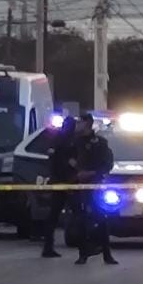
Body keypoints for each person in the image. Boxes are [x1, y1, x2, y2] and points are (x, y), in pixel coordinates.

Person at [73, 113, 118, 266]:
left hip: (96, 186)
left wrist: (92, 173)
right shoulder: (73, 143)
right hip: (77, 187)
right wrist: (75, 174)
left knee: (101, 219)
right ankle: (83, 254)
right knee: (80, 221)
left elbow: (107, 164)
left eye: (80, 122)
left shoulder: (100, 143)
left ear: (88, 124)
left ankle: (106, 254)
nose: (77, 124)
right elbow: (63, 162)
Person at [41, 116, 77, 258]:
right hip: (64, 182)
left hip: (64, 181)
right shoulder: (64, 141)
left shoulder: (59, 139)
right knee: (57, 214)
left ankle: (48, 246)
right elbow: (58, 162)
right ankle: (48, 246)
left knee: (56, 215)